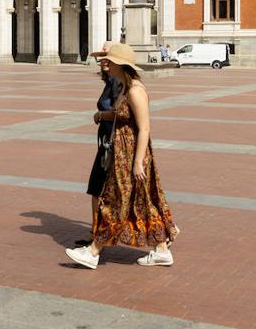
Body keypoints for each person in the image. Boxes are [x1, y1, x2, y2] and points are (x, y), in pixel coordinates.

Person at [66, 43, 179, 269]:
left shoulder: (136, 90)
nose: (105, 63)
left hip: (131, 154)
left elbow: (144, 128)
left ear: (120, 65)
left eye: (110, 60)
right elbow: (120, 115)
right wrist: (104, 115)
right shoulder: (123, 87)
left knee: (116, 200)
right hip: (122, 151)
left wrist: (137, 162)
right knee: (142, 202)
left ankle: (93, 251)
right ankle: (162, 250)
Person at [76, 42, 118, 248]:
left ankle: (163, 235)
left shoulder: (118, 82)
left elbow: (122, 112)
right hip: (106, 142)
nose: (102, 61)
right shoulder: (111, 81)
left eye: (106, 57)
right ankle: (97, 232)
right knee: (98, 188)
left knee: (100, 188)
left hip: (114, 144)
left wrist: (100, 114)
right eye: (100, 58)